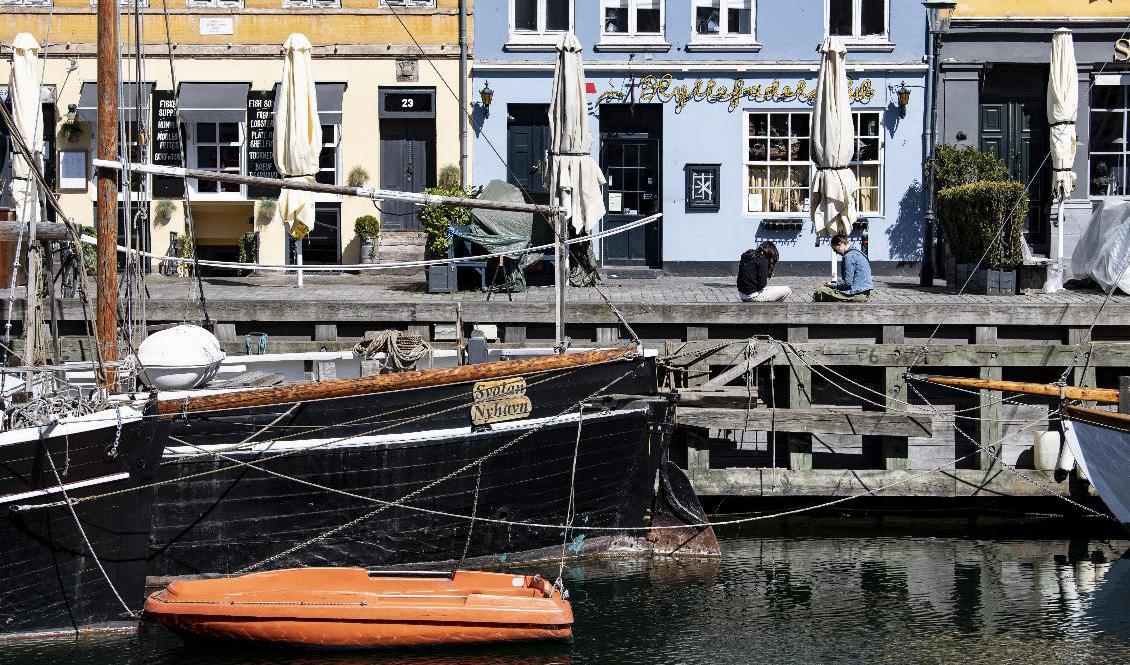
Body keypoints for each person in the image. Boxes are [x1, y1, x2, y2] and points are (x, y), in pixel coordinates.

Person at [813, 234, 873, 302]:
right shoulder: (858, 253)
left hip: (857, 294)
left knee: (820, 291)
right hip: (864, 293)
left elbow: (848, 283)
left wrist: (832, 285)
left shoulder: (848, 256)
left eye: (835, 249)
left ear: (840, 244)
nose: (836, 253)